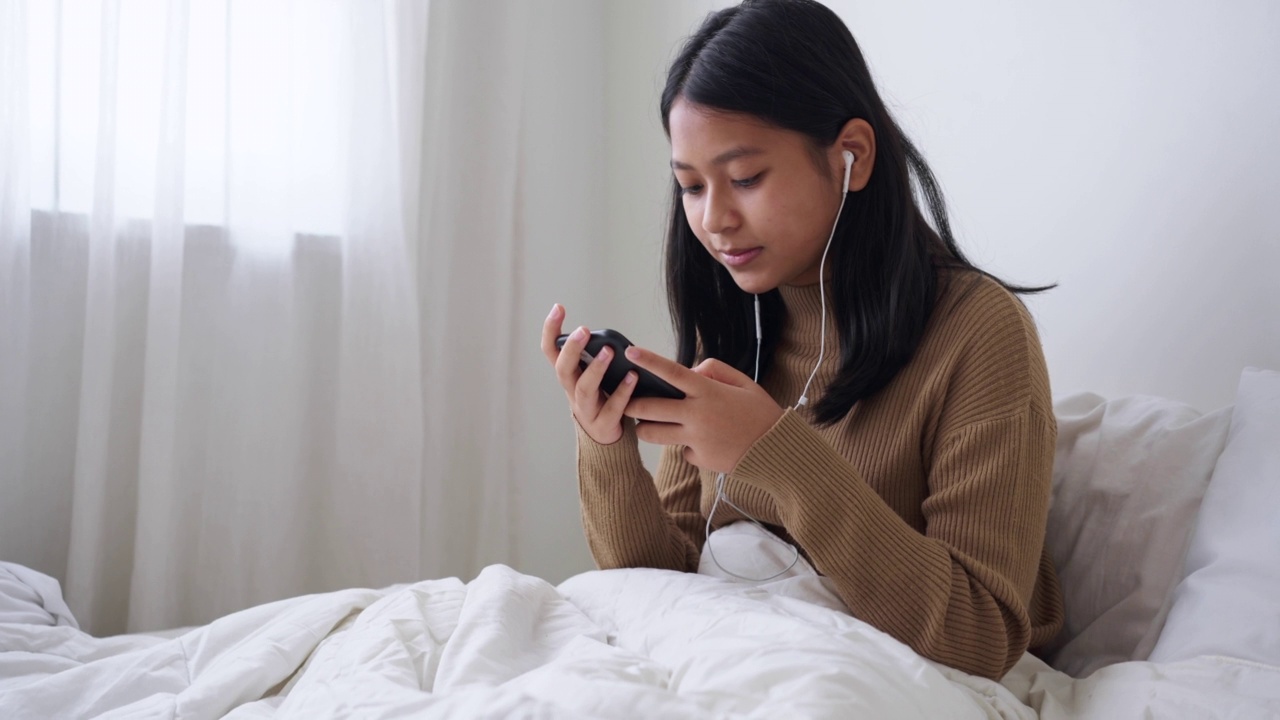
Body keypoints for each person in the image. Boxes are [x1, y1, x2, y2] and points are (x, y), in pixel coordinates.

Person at [540, 0, 1063, 681]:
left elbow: (978, 634)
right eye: (691, 186)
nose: (715, 219)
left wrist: (776, 457)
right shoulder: (734, 323)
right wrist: (607, 447)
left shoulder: (979, 333)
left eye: (747, 179)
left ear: (852, 155)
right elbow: (665, 588)